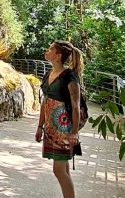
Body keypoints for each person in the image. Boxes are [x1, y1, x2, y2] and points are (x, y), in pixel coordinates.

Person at [35, 40, 85, 198]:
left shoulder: (70, 77)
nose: (47, 50)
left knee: (58, 170)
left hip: (65, 128)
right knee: (64, 170)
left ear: (58, 55)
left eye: (51, 49)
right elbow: (45, 102)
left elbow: (76, 107)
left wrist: (74, 133)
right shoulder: (48, 74)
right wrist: (39, 126)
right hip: (51, 128)